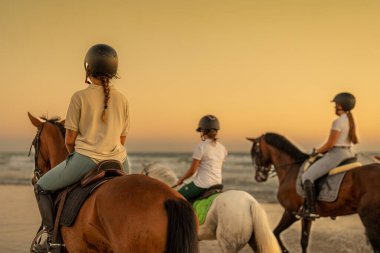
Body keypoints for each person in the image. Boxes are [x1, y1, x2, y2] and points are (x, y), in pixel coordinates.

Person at [33, 44, 130, 252]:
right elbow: (123, 138)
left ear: (88, 68)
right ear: (113, 70)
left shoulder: (79, 97)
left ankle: (53, 239)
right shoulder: (123, 99)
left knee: (41, 187)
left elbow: (69, 139)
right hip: (120, 160)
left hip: (87, 159)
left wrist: (73, 157)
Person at [301, 92, 358, 219]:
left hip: (337, 154)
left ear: (341, 106)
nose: (334, 107)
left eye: (336, 104)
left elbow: (330, 145)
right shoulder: (350, 120)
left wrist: (316, 151)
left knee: (307, 176)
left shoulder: (338, 122)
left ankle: (311, 210)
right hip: (349, 153)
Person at [176, 115, 228, 201]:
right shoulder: (223, 148)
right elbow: (219, 169)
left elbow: (192, 171)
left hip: (202, 185)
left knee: (176, 197)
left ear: (203, 131)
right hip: (217, 184)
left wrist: (181, 179)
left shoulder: (201, 146)